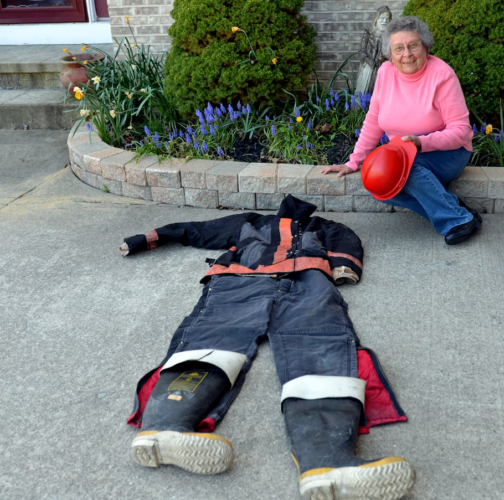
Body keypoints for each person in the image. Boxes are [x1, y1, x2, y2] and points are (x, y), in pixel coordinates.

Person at [123, 195, 415, 500]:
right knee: (221, 344)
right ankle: (165, 427)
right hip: (252, 280)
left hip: (297, 281)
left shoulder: (323, 226)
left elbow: (346, 240)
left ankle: (327, 464)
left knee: (293, 346)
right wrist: (146, 239)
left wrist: (344, 265)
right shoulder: (248, 221)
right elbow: (198, 228)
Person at [323, 16, 481, 245]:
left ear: (425, 46)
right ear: (390, 53)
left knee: (405, 168)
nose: (406, 54)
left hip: (448, 152)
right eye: (398, 48)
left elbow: (461, 132)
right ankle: (453, 208)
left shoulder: (442, 75)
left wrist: (421, 143)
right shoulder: (386, 73)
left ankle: (456, 220)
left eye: (413, 45)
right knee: (378, 185)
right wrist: (354, 161)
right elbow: (374, 119)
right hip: (404, 152)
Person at [354, 6, 392, 96]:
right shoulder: (369, 32)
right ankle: (361, 109)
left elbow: (392, 52)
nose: (384, 21)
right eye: (382, 18)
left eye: (387, 19)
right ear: (377, 19)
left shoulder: (390, 35)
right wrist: (368, 60)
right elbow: (361, 51)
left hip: (383, 69)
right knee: (364, 92)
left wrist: (383, 59)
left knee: (380, 93)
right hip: (367, 68)